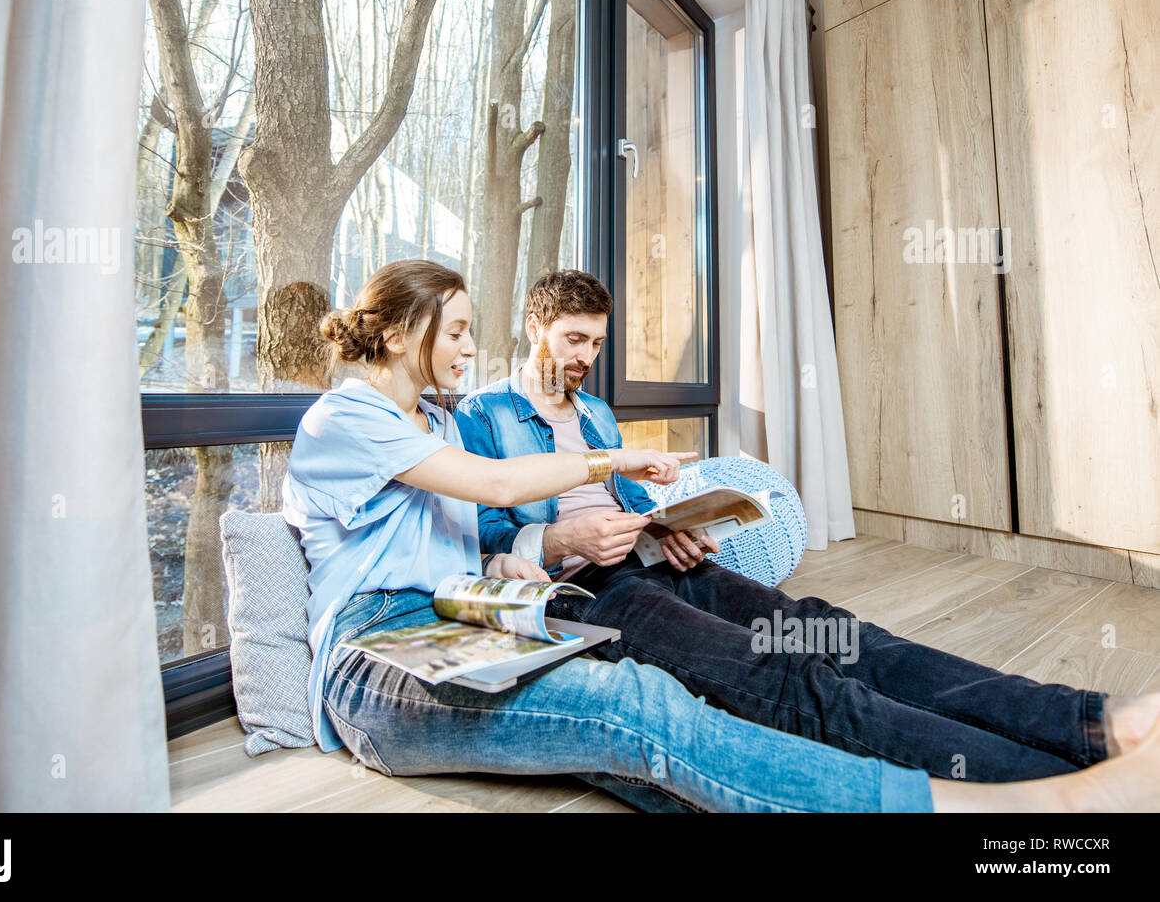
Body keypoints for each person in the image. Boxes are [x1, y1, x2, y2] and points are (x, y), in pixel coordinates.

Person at [282, 257, 1160, 812]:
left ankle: (1089, 724)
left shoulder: (541, 411)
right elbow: (496, 515)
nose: (585, 354)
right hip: (563, 599)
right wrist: (569, 528)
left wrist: (667, 528)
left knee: (831, 633)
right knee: (752, 691)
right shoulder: (455, 421)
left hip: (581, 588)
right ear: (534, 330)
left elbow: (488, 537)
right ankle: (1036, 797)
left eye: (597, 340)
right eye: (571, 337)